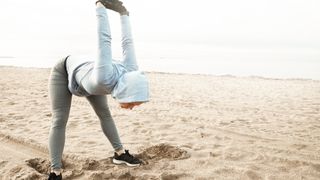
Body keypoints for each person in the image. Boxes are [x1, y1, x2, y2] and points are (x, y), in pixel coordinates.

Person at [47, 0, 149, 179]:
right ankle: (55, 172)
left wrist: (124, 14)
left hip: (88, 76)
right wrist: (100, 7)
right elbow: (104, 39)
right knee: (59, 120)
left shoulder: (132, 72)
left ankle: (119, 154)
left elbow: (128, 42)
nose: (132, 107)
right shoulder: (104, 78)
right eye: (133, 103)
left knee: (105, 114)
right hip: (64, 72)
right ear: (128, 93)